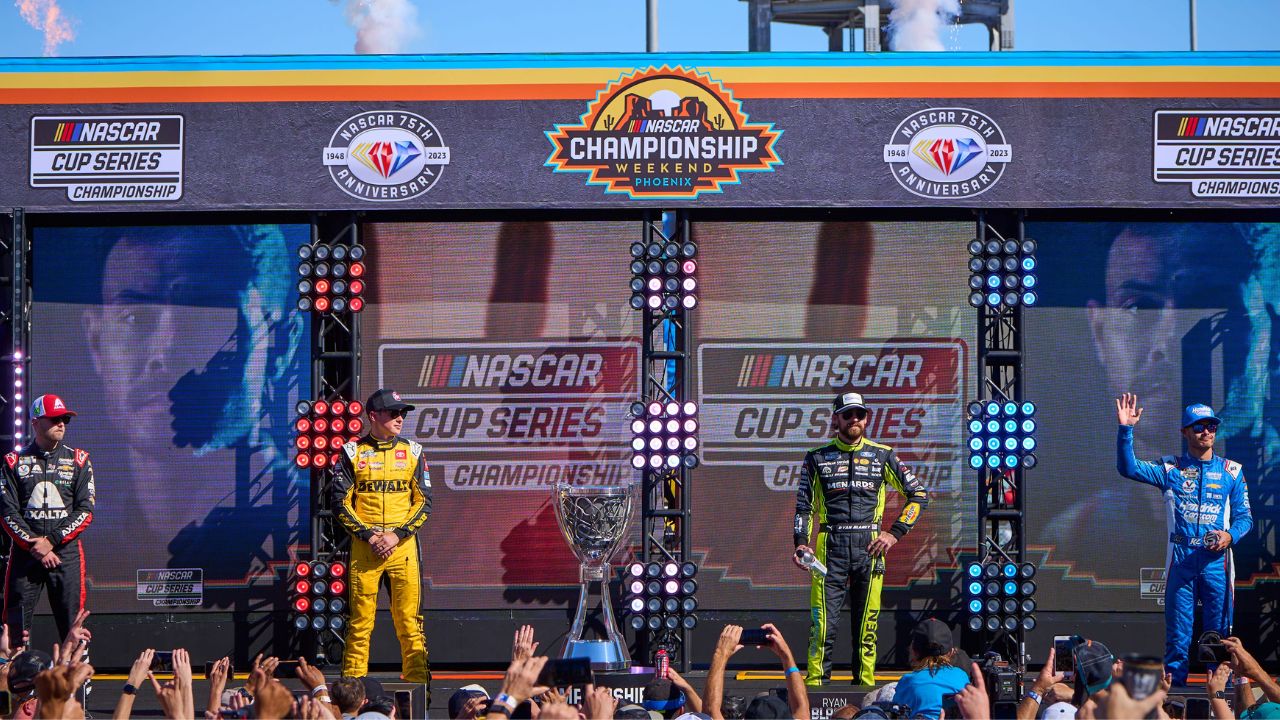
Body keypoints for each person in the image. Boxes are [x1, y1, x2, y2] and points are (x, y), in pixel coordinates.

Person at [792, 391, 929, 686]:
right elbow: (805, 506)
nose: (855, 419)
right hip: (829, 546)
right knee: (823, 623)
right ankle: (815, 686)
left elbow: (919, 496)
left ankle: (865, 690)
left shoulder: (883, 455)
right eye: (848, 414)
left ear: (867, 418)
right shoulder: (816, 458)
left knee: (867, 623)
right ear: (836, 419)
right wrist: (800, 542)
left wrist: (893, 534)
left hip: (870, 546)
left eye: (860, 414)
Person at [1115, 393, 1253, 684]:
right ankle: (1174, 700)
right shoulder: (1170, 469)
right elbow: (1129, 468)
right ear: (1185, 431)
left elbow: (1245, 518)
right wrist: (1126, 430)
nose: (1206, 432)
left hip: (1218, 563)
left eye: (1211, 426)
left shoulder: (1232, 471)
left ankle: (1221, 698)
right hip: (1181, 560)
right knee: (1178, 638)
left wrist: (1229, 535)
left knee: (1217, 637)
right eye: (1199, 426)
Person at [329, 388, 432, 684]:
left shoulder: (413, 451)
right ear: (373, 416)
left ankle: (418, 700)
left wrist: (396, 535)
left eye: (402, 413)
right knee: (360, 626)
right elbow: (340, 504)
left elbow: (424, 501)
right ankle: (350, 700)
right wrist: (371, 536)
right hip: (366, 548)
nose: (400, 418)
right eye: (393, 413)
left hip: (403, 549)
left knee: (411, 625)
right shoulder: (352, 452)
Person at [0, 395, 95, 644]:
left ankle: (76, 683)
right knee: (14, 628)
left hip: (66, 554)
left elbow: (85, 510)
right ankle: (14, 681)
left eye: (64, 419)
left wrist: (51, 541)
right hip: (26, 555)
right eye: (54, 419)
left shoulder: (79, 461)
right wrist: (35, 545)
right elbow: (7, 512)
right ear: (35, 422)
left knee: (74, 629)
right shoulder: (13, 462)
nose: (61, 424)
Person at [890, 618, 970, 720]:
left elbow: (896, 713)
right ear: (951, 652)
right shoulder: (962, 676)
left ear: (913, 650)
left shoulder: (907, 681)